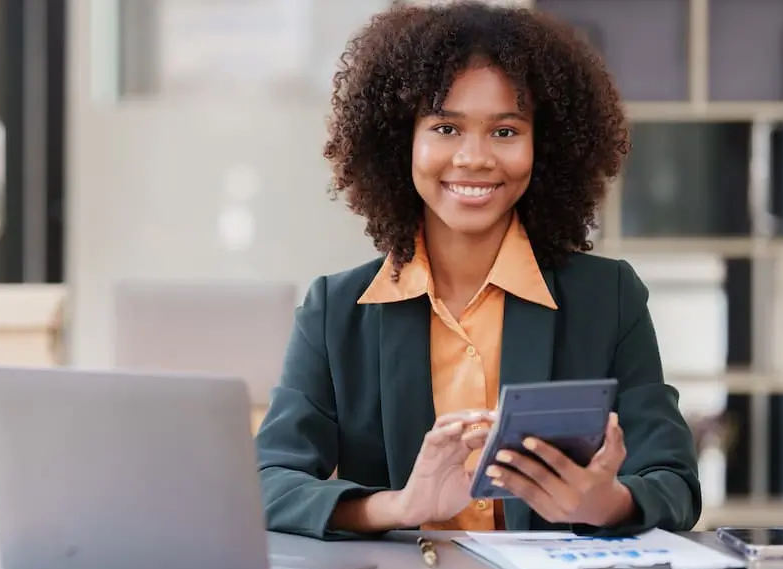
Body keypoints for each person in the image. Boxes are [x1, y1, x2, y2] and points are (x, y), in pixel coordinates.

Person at [253, 1, 701, 540]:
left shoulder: (610, 299)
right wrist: (398, 506)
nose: (474, 158)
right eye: (445, 127)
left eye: (506, 132)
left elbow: (674, 482)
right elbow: (267, 484)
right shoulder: (335, 311)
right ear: (401, 142)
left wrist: (605, 502)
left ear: (545, 145)